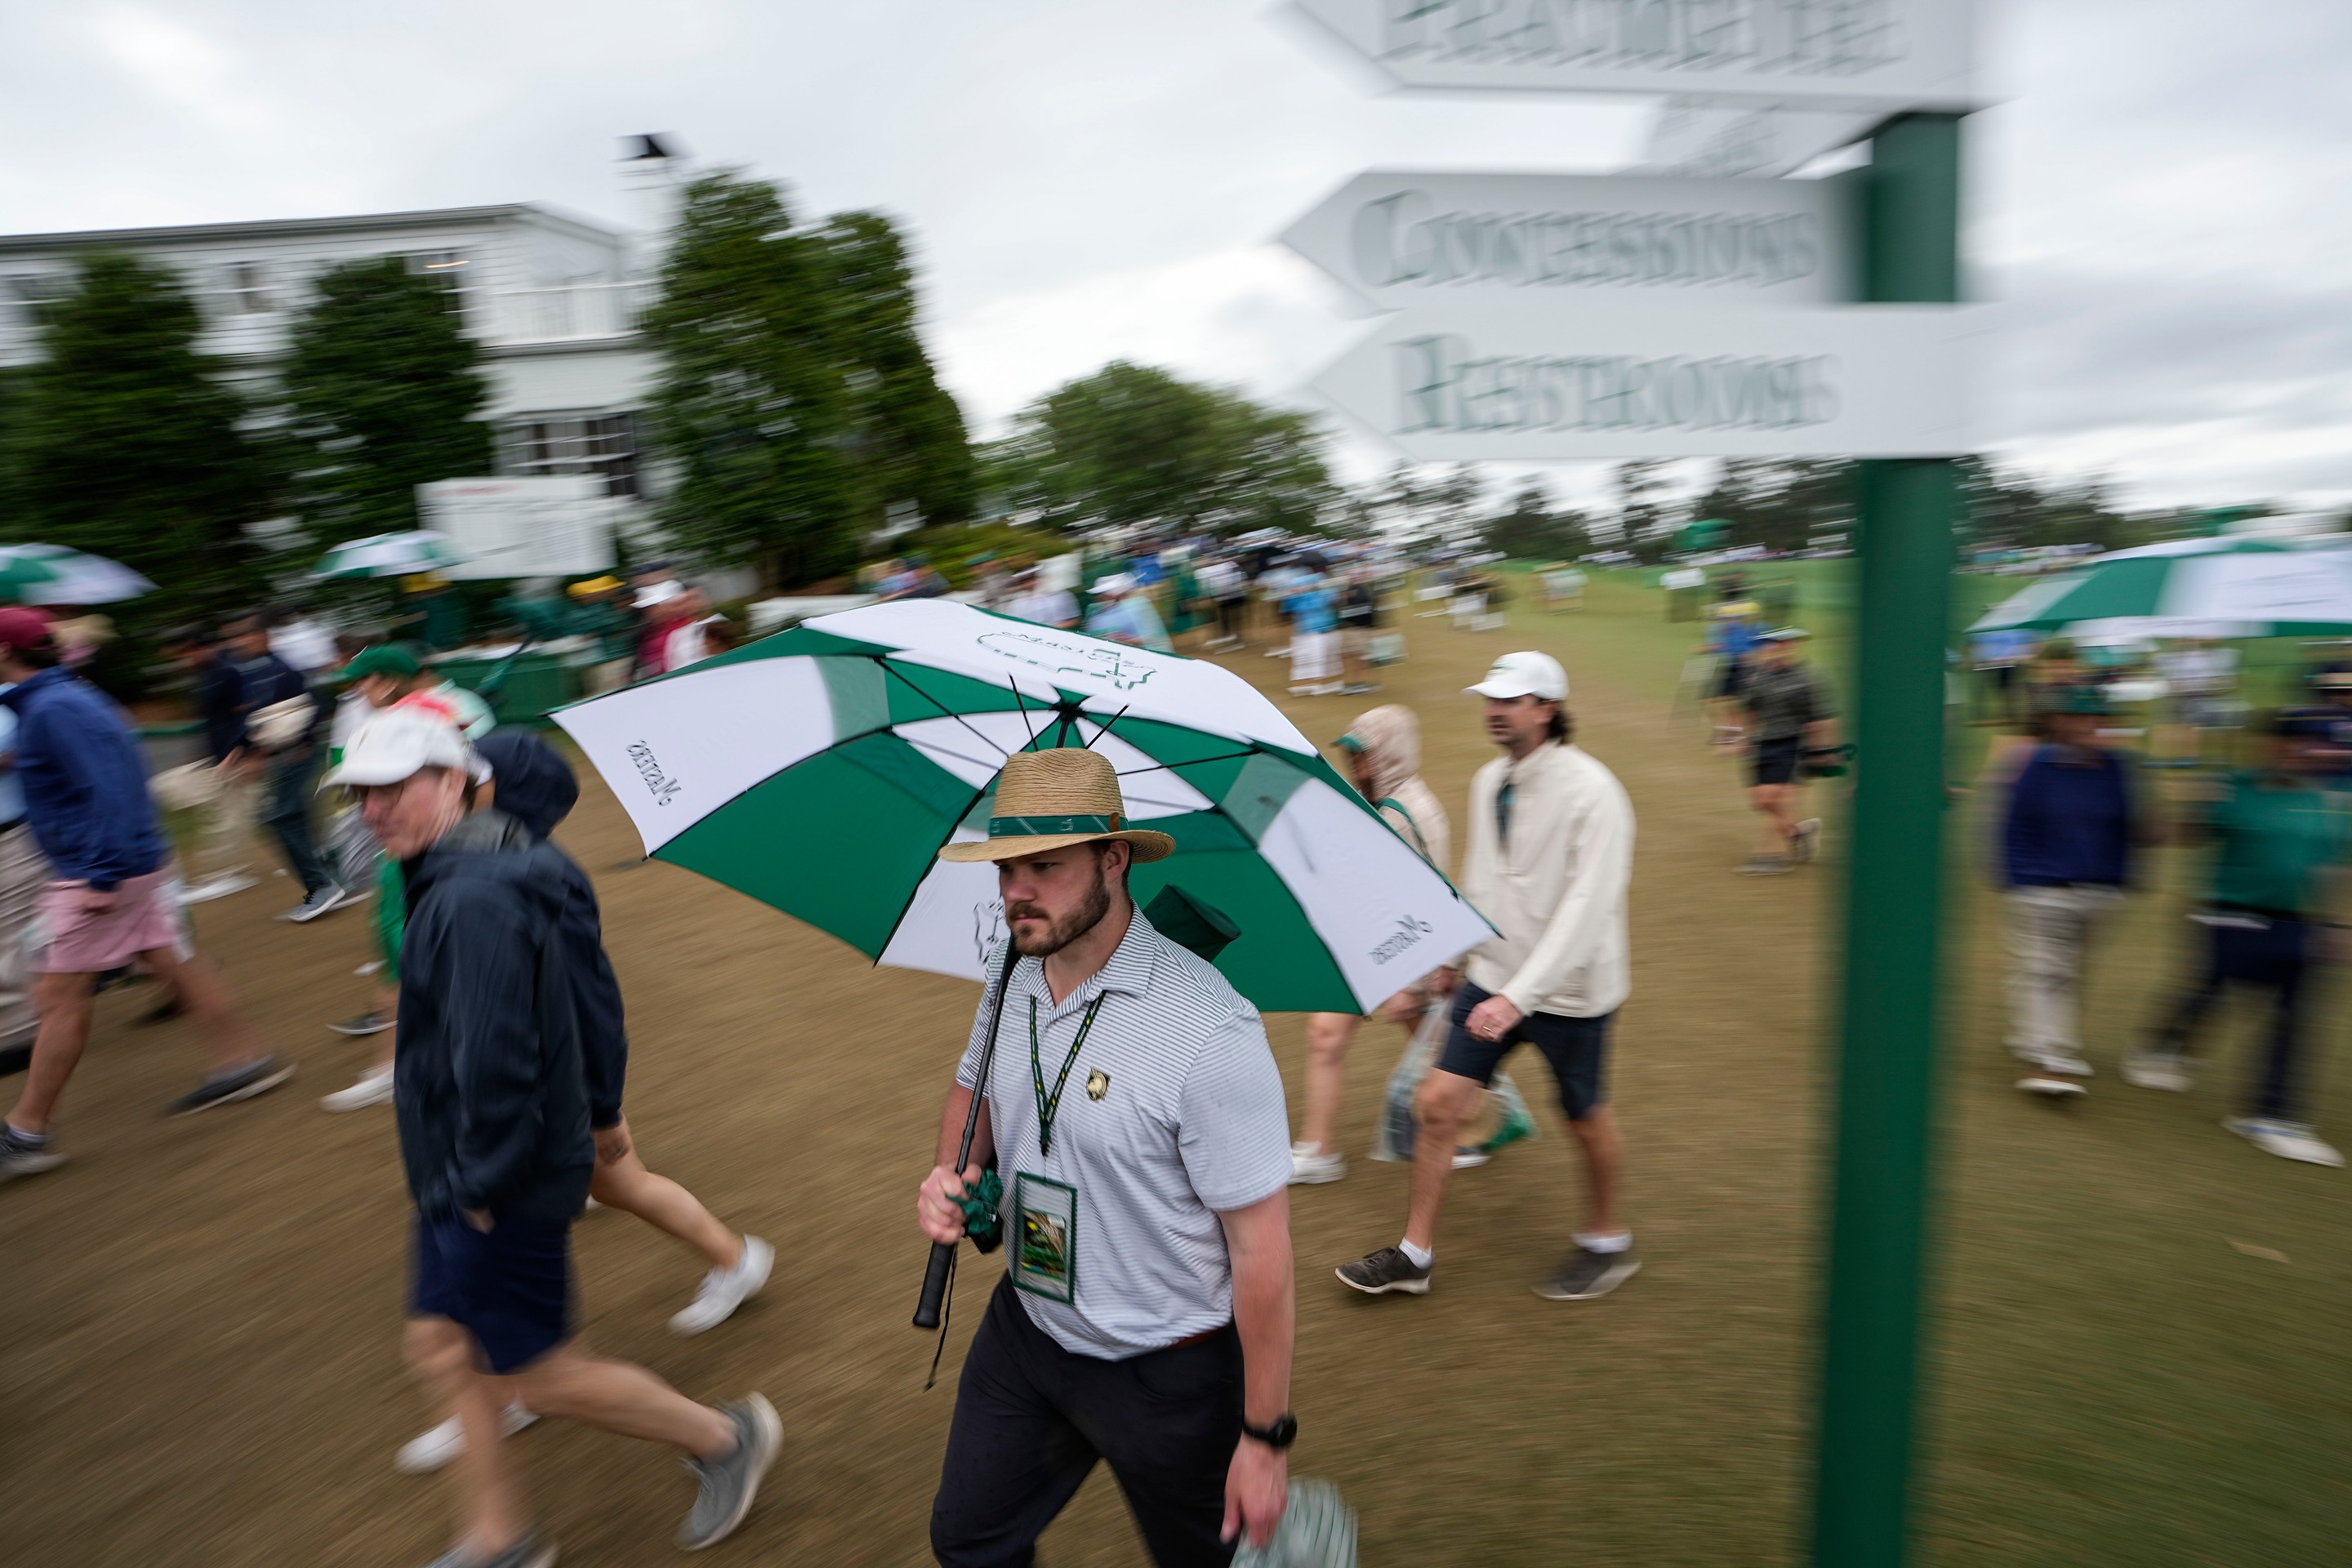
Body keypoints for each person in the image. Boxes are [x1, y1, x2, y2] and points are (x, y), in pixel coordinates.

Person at [327, 710, 778, 1565]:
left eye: (391, 787)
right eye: (359, 792)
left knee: (534, 1372)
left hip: (497, 1176)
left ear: (455, 782)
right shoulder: (458, 868)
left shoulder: (473, 896)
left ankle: (725, 1437)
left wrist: (485, 1186)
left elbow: (501, 1061)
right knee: (440, 1342)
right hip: (460, 1167)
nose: (371, 809)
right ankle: (501, 1536)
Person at [916, 747, 1294, 1565]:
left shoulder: (1211, 1031)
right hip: (1028, 1329)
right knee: (968, 1540)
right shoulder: (1011, 966)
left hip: (1167, 1369)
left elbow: (1262, 1251)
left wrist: (1264, 1439)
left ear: (1114, 858)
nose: (1016, 891)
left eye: (1043, 866)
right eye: (1005, 867)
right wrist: (954, 1173)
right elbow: (971, 1092)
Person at [1335, 650, 1639, 1303]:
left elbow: (1588, 911)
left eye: (1510, 699)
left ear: (1548, 709)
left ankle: (1607, 1241)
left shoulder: (1594, 792)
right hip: (1495, 974)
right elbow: (1483, 881)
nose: (1494, 711)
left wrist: (1519, 999)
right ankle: (1415, 1255)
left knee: (1583, 1115)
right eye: (1489, 699)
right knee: (1437, 1104)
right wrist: (1453, 958)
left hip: (1570, 992)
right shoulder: (1487, 780)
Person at [0, 610, 289, 1183]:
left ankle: (26, 1132)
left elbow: (112, 792)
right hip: (125, 865)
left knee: (59, 996)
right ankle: (243, 1061)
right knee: (176, 962)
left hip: (99, 873)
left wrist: (101, 877)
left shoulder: (54, 709)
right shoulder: (60, 700)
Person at [2124, 712, 2351, 1167]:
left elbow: (2329, 868)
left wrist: (2336, 926)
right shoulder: (2233, 788)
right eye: (2295, 744)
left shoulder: (2324, 802)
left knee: (2295, 1007)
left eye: (2313, 747)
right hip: (2228, 914)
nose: (2306, 753)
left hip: (2294, 920)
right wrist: (2191, 799)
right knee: (2213, 987)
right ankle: (2163, 1048)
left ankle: (2272, 1113)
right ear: (2272, 745)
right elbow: (2183, 836)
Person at [1291, 706, 1451, 1183]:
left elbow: (1434, 901)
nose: (1356, 765)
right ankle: (1319, 1150)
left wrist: (1414, 978)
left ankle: (1476, 1124)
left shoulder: (1412, 813)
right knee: (1328, 1035)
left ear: (1390, 754)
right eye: (1354, 755)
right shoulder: (1380, 803)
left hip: (1402, 954)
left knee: (1439, 1047)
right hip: (1376, 949)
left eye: (1365, 756)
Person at [1996, 688, 2144, 1097]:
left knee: (2063, 971)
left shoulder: (2117, 767)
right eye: (2078, 717)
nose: (2089, 725)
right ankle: (2048, 1059)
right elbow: (2013, 825)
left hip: (2099, 890)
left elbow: (2128, 826)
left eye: (2096, 717)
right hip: (2041, 887)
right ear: (2057, 721)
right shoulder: (2035, 764)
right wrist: (2020, 878)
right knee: (2047, 970)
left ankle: (2034, 1038)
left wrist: (2122, 879)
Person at [221, 611, 348, 920]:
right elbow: (255, 718)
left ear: (265, 636)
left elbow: (315, 707)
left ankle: (322, 885)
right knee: (294, 816)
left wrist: (301, 744)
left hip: (297, 755)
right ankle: (330, 876)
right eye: (237, 637)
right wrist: (239, 752)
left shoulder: (283, 670)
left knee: (279, 817)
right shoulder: (254, 672)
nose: (241, 642)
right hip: (283, 756)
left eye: (247, 635)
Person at [163, 626, 261, 904]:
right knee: (212, 811)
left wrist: (240, 753)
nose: (180, 662)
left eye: (182, 655)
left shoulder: (227, 673)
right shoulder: (205, 676)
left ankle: (225, 874)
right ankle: (223, 872)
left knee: (228, 819)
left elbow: (247, 714)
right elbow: (214, 723)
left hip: (235, 762)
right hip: (214, 762)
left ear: (195, 647)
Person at [1737, 627, 1838, 875]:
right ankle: (1799, 833)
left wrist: (1823, 749)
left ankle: (1769, 855)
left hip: (1794, 743)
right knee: (1761, 801)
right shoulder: (1757, 678)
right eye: (1771, 644)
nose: (1775, 648)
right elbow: (1750, 710)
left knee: (1779, 799)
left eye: (1782, 644)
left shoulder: (1806, 678)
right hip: (1763, 743)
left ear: (1792, 646)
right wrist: (1743, 738)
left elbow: (1820, 717)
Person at [1087, 574, 1173, 653]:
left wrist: (1128, 641)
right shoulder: (1095, 616)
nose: (1100, 597)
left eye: (1104, 593)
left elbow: (1155, 639)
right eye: (1099, 594)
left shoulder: (1137, 608)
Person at [1198, 555, 1249, 650]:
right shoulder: (1229, 566)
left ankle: (1231, 635)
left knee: (1228, 616)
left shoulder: (1226, 567)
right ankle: (1231, 635)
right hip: (1228, 595)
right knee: (1230, 616)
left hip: (1227, 596)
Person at [1008, 568, 1080, 630]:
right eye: (1023, 581)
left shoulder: (1062, 596)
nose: (1029, 583)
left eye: (1031, 579)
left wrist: (1050, 629)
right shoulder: (1017, 604)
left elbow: (1074, 621)